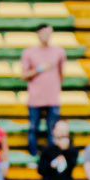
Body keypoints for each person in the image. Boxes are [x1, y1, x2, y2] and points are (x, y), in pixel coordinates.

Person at [20, 22, 67, 153]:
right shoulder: (29, 52)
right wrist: (39, 70)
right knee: (33, 128)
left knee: (53, 130)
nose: (46, 36)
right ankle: (33, 155)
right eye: (44, 33)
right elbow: (24, 75)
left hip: (53, 98)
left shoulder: (59, 52)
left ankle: (51, 156)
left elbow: (61, 74)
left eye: (49, 33)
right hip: (36, 97)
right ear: (38, 34)